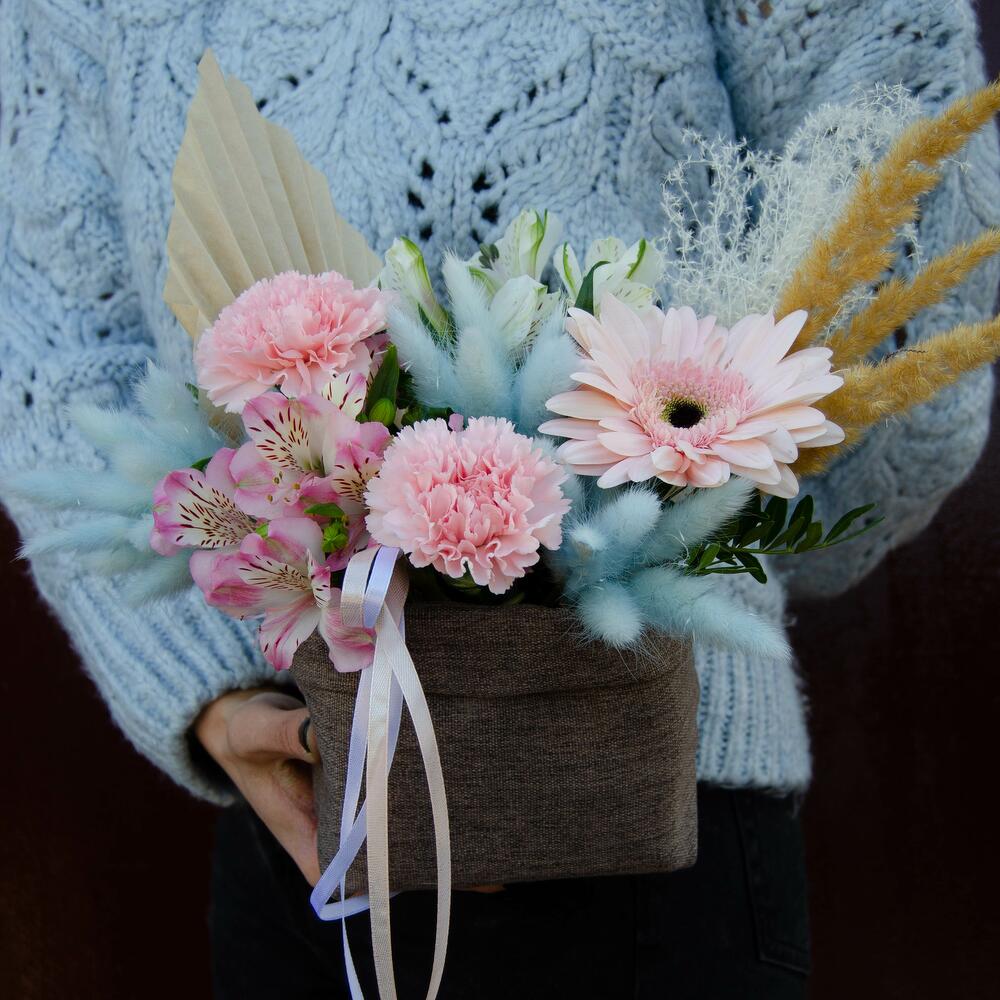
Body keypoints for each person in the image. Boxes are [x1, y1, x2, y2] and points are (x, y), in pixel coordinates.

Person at [1, 2, 998, 997]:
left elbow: (908, 248)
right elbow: (50, 363)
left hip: (641, 820)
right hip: (307, 811)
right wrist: (216, 696)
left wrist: (685, 552)